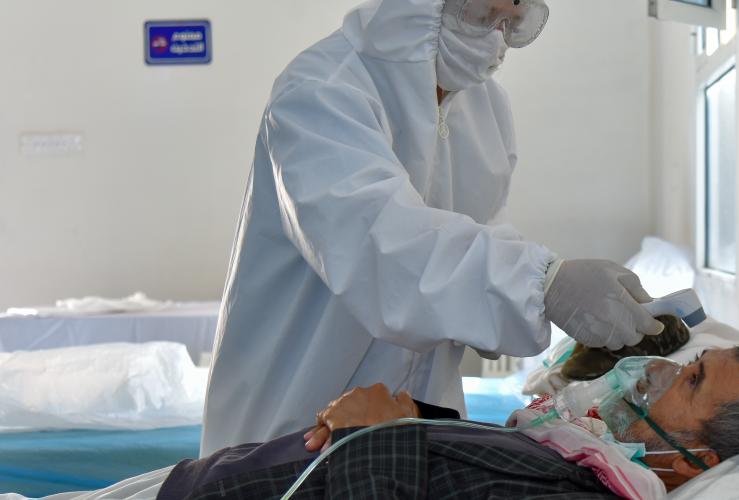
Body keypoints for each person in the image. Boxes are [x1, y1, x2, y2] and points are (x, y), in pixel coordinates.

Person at [201, 0, 666, 456]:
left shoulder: (487, 108)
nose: (494, 41)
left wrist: (551, 289)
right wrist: (541, 284)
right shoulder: (321, 92)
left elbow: (474, 237)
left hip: (412, 419)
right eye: (484, 15)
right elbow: (382, 248)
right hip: (296, 411)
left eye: (512, 22)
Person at [165, 347, 739, 499]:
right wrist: (418, 417)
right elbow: (478, 465)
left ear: (693, 460)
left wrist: (377, 432)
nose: (665, 371)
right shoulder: (590, 466)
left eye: (692, 380)